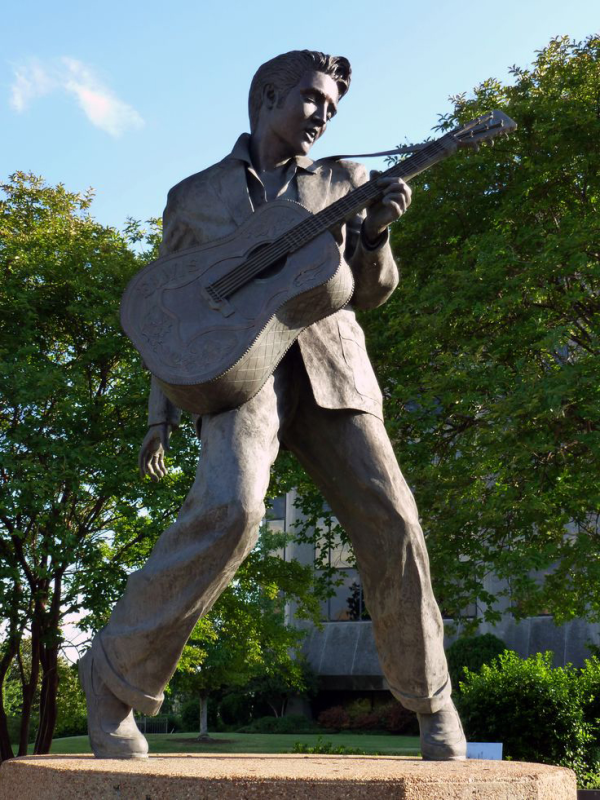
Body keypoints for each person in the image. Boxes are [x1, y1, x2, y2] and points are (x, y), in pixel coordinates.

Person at [79, 50, 466, 761]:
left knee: (396, 522)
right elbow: (173, 315)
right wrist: (157, 414)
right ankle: (111, 679)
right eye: (313, 99)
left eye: (333, 109)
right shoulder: (194, 196)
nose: (322, 116)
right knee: (232, 509)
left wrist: (376, 234)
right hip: (238, 376)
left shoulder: (346, 179)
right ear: (269, 94)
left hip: (334, 368)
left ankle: (432, 703)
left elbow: (371, 291)